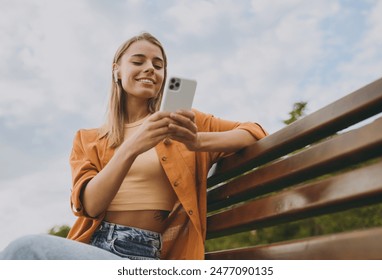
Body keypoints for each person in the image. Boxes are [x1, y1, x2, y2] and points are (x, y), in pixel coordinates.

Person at [0, 32, 267, 260]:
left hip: (139, 253)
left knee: (25, 251)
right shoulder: (88, 138)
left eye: (158, 65)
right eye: (138, 61)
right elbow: (90, 206)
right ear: (116, 69)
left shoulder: (181, 122)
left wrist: (197, 141)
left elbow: (254, 132)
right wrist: (131, 148)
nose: (150, 68)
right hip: (91, 246)